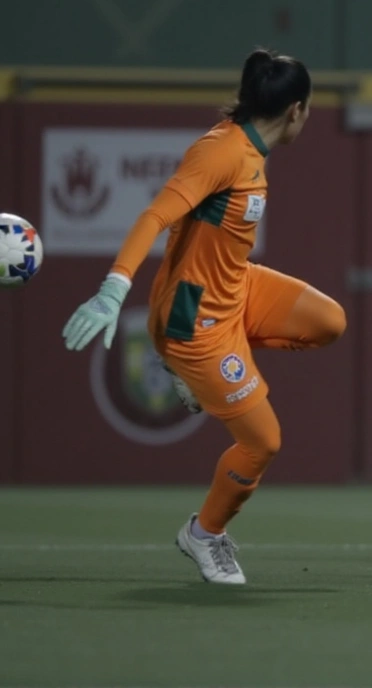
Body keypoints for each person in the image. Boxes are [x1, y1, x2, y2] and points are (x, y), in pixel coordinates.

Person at [61, 48, 347, 585]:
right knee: (263, 443)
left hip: (236, 289)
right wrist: (113, 289)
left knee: (329, 322)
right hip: (195, 323)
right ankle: (205, 534)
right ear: (296, 111)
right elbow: (155, 214)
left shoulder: (251, 150)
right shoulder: (220, 153)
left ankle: (197, 373)